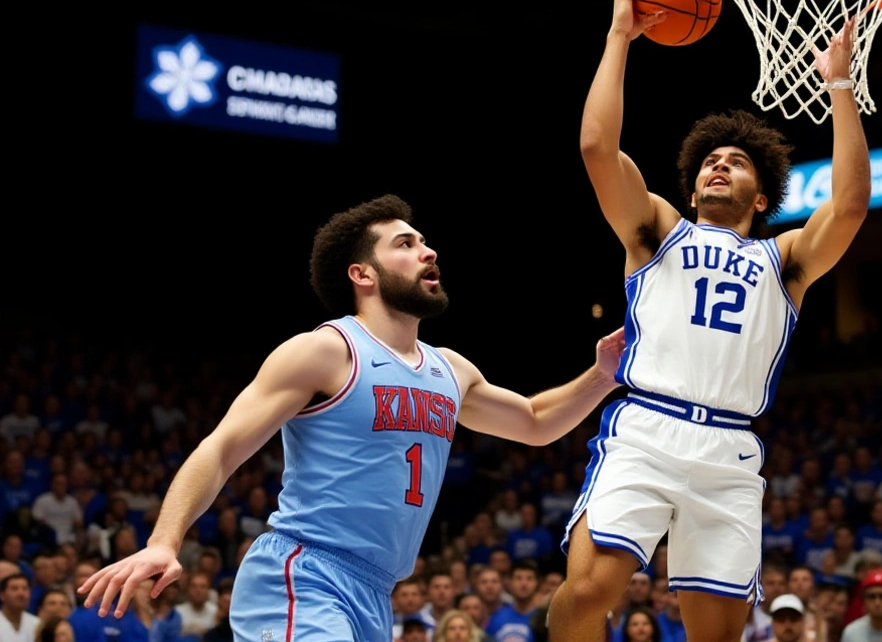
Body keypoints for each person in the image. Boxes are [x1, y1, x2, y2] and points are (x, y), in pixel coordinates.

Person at [77, 195, 626, 641]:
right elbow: (221, 447)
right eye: (406, 244)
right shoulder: (326, 351)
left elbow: (534, 421)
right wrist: (165, 541)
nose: (428, 251)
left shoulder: (450, 369)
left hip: (375, 592)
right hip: (304, 573)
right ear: (362, 273)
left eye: (425, 242)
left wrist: (601, 375)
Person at [550, 0, 872, 642]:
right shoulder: (657, 229)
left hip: (728, 453)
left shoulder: (783, 260)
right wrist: (619, 35)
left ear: (761, 197)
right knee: (584, 595)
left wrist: (840, 84)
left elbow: (848, 207)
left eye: (737, 162)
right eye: (709, 163)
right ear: (693, 189)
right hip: (647, 428)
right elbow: (597, 146)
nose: (719, 165)